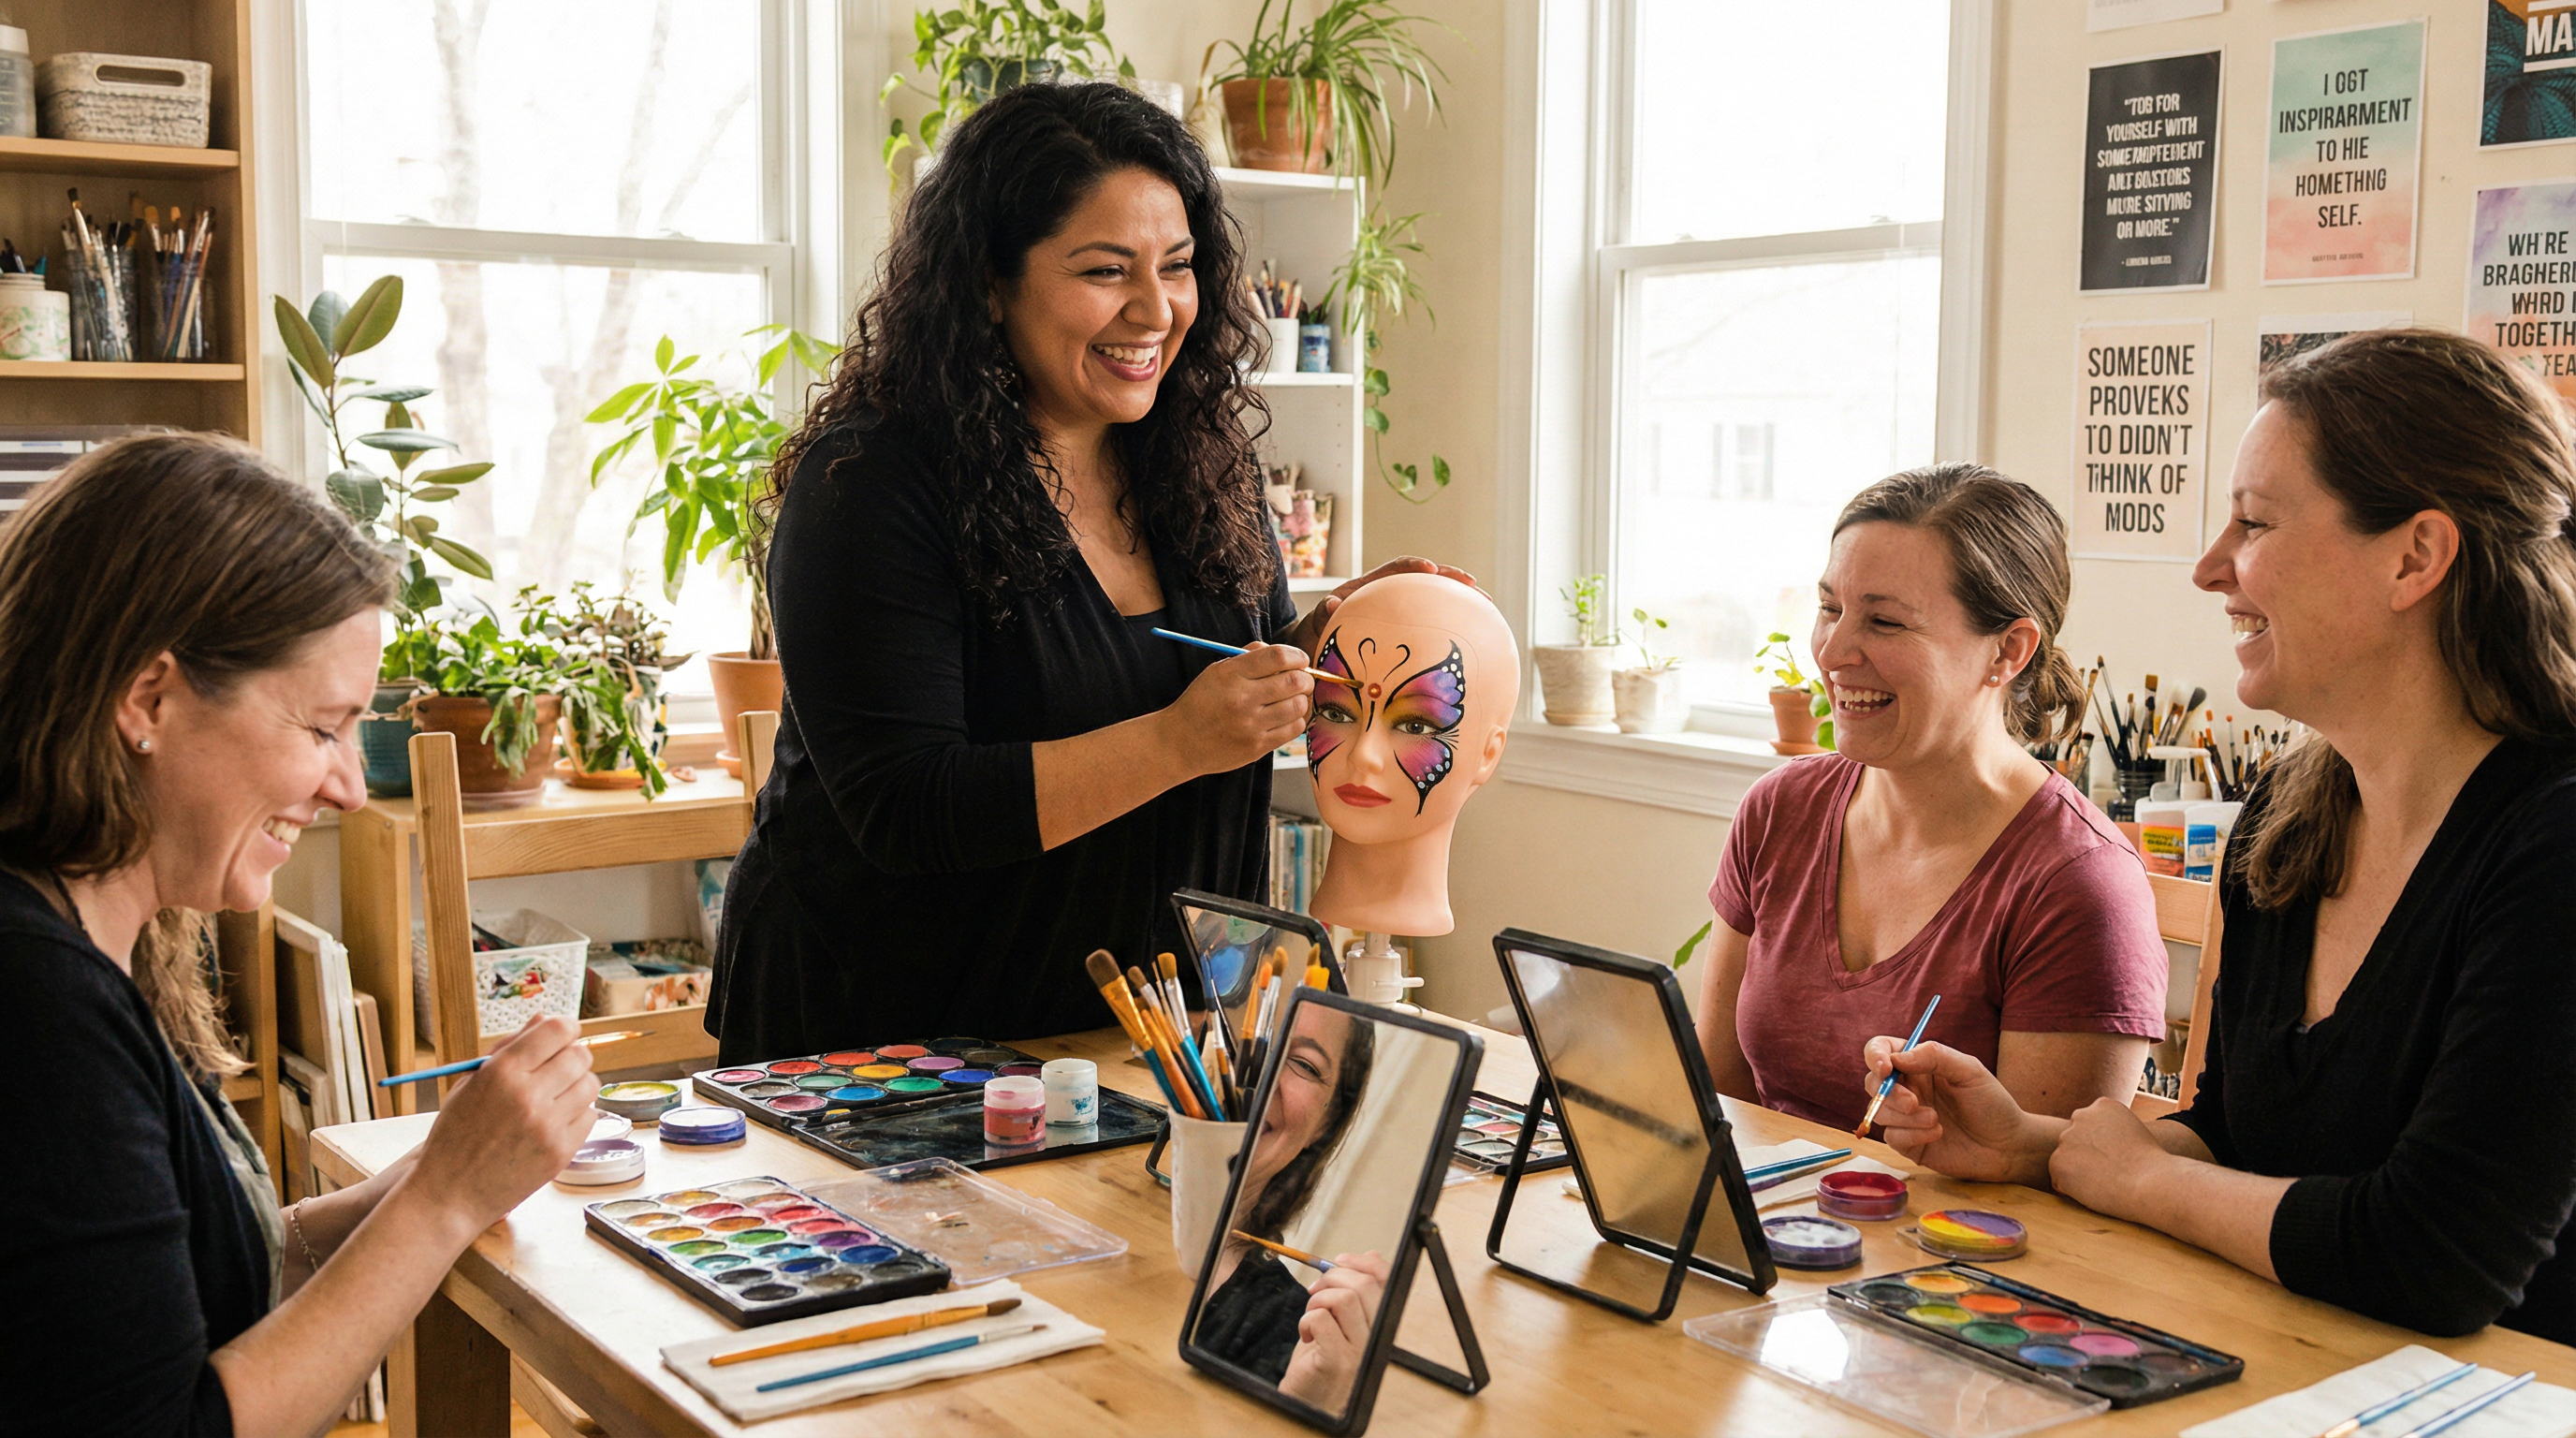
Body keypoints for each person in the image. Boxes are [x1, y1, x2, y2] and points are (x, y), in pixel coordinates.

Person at [711, 81, 1465, 1061]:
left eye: (1180, 266)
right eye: (1106, 270)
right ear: (988, 281)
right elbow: (904, 808)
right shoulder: (871, 482)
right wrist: (1178, 742)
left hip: (1140, 1042)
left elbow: (1226, 664)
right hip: (884, 1055)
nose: (1155, 309)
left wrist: (1338, 642)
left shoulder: (1201, 457)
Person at [1867, 329, 2576, 1343]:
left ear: (2414, 556)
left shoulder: (2552, 842)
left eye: (2252, 523)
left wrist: (2142, 1180)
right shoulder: (2287, 820)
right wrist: (2032, 1148)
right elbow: (2241, 1139)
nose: (2209, 567)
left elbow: (2437, 1259)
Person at [0, 434, 599, 1435]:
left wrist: (439, 1170)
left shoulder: (91, 937)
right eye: (324, 729)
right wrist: (442, 1202)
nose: (351, 788)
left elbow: (167, 1284)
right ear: (149, 700)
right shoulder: (35, 1001)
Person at [1696, 464, 2168, 1133]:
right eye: (1831, 608)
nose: (1832, 652)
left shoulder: (2079, 884)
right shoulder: (1778, 811)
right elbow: (1719, 1090)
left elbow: (2047, 1190)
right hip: (1773, 1222)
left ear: (2008, 651)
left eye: (1884, 622)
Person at [1193, 1002, 1385, 1412]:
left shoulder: (1293, 1330)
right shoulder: (1094, 1192)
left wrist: (1305, 1401)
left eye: (1304, 1064)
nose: (1261, 1074)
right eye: (1248, 1033)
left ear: (1325, 1123)